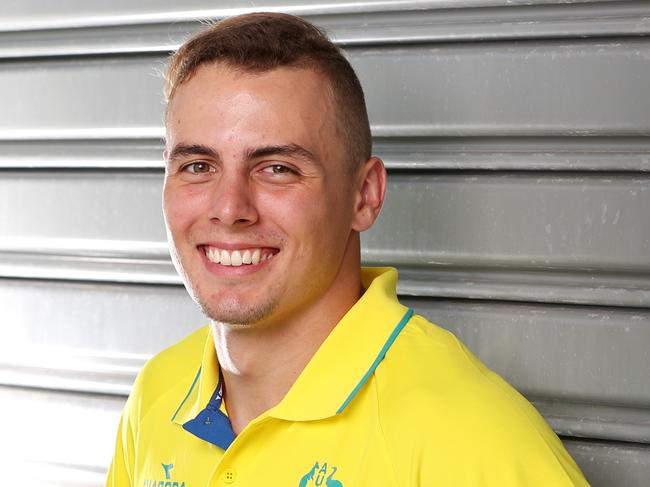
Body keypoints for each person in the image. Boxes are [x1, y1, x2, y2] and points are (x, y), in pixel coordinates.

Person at [106, 12, 590, 487]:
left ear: (364, 196)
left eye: (277, 168)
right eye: (197, 165)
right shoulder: (157, 395)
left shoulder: (469, 435)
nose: (230, 208)